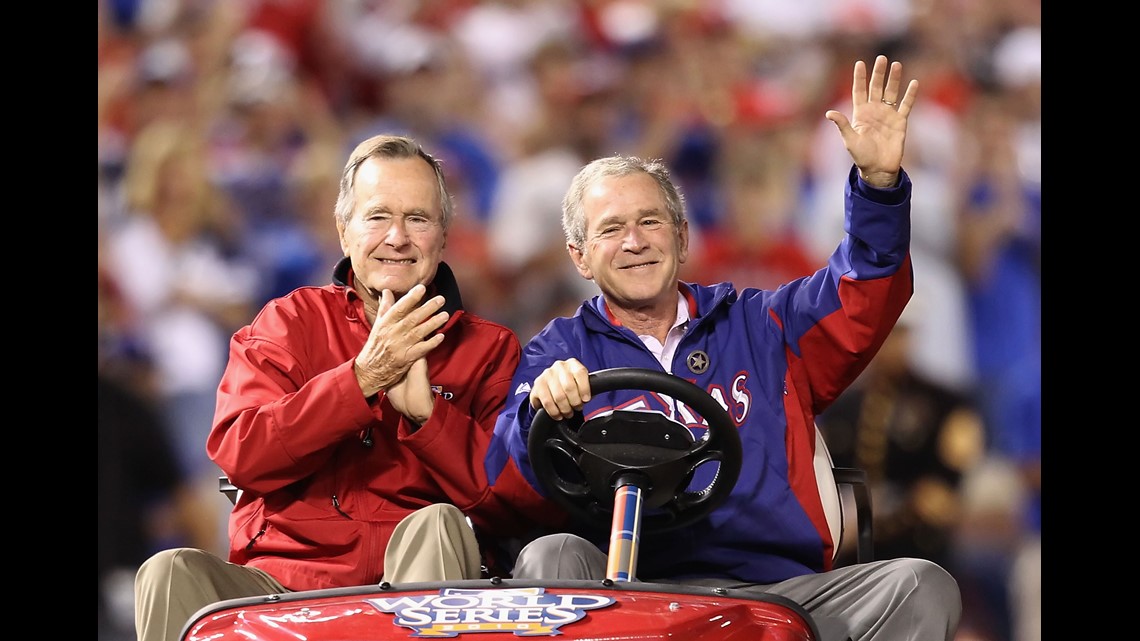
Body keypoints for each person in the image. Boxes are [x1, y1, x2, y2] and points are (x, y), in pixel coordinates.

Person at [489, 55, 962, 641]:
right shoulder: (556, 352)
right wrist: (541, 408)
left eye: (651, 222)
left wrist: (879, 189)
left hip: (779, 599)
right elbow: (503, 480)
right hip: (631, 599)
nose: (634, 242)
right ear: (580, 257)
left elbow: (865, 288)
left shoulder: (764, 325)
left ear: (683, 237)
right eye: (610, 229)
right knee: (550, 556)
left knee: (920, 584)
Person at [134, 134, 560, 641]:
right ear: (344, 231)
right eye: (377, 216)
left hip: (412, 595)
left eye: (418, 219)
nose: (397, 237)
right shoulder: (288, 324)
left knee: (438, 523)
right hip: (284, 589)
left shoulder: (489, 349)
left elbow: (521, 501)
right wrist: (360, 382)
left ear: (443, 237)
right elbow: (239, 452)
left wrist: (430, 420)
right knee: (169, 572)